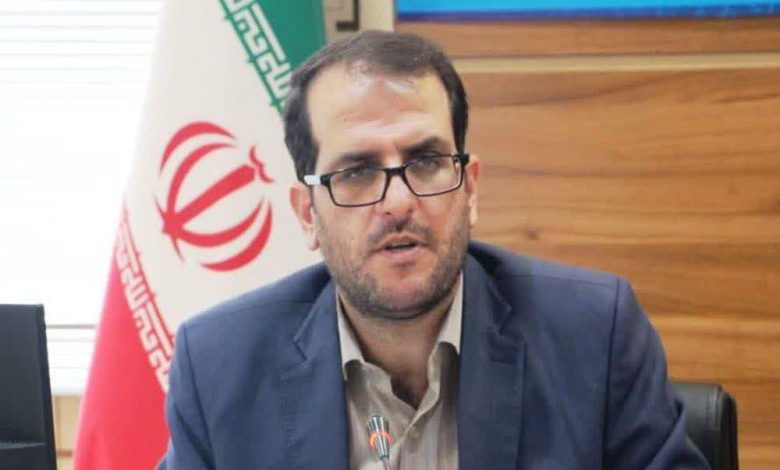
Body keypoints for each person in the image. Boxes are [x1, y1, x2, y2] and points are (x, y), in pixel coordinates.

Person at [158, 30, 709, 469]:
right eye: (356, 171)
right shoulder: (219, 367)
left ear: (470, 188)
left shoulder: (595, 337)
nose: (398, 203)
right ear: (307, 214)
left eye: (425, 162)